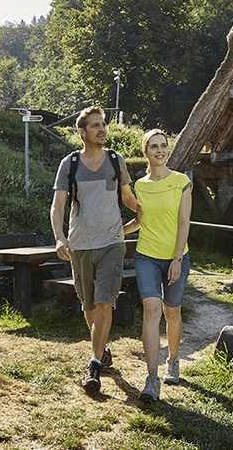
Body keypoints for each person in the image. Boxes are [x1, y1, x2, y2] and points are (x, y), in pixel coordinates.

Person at [51, 106, 137, 394]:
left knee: (104, 303)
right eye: (95, 125)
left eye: (103, 124)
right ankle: (101, 350)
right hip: (80, 245)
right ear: (82, 131)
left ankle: (94, 366)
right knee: (88, 305)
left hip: (112, 243)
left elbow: (127, 197)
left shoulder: (115, 160)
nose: (102, 129)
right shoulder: (70, 164)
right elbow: (58, 206)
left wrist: (147, 213)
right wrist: (60, 238)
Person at [124, 129, 191, 403]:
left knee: (171, 312)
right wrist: (116, 232)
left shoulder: (181, 181)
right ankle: (152, 379)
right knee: (152, 309)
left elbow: (184, 224)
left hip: (176, 257)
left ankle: (173, 360)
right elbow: (140, 221)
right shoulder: (140, 186)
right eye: (154, 146)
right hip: (147, 256)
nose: (160, 150)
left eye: (163, 145)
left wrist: (177, 259)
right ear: (146, 152)